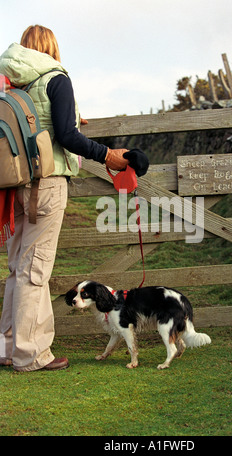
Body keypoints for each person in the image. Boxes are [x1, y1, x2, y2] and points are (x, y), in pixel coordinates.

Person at [0, 25, 149, 372]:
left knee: (16, 270)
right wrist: (108, 155)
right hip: (46, 184)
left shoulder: (9, 80)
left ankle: (7, 347)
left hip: (12, 186)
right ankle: (30, 355)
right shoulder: (55, 78)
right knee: (34, 273)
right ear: (50, 48)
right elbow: (66, 136)